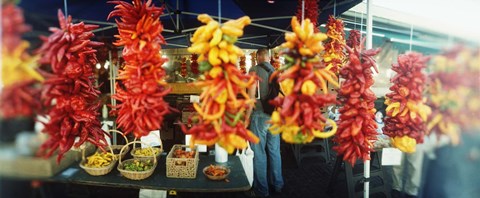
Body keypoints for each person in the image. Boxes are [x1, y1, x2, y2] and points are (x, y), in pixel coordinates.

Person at [245, 48, 284, 197]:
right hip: (275, 116)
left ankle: (262, 190)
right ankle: (278, 184)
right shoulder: (276, 71)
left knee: (259, 153)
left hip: (260, 116)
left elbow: (250, 98)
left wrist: (247, 118)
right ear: (267, 57)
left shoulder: (253, 70)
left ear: (258, 57)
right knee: (274, 151)